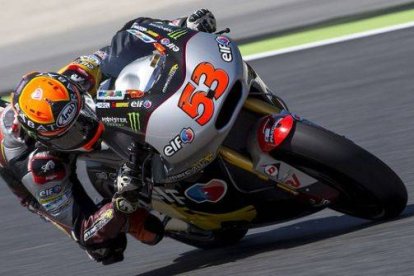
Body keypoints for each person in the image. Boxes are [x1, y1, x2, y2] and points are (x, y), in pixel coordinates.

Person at [0, 9, 217, 265]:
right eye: (71, 135)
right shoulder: (40, 167)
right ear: (47, 139)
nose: (85, 129)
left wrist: (182, 25)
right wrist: (119, 205)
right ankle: (158, 212)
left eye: (81, 115)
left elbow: (131, 36)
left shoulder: (75, 77)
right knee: (108, 248)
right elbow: (86, 230)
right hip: (22, 168)